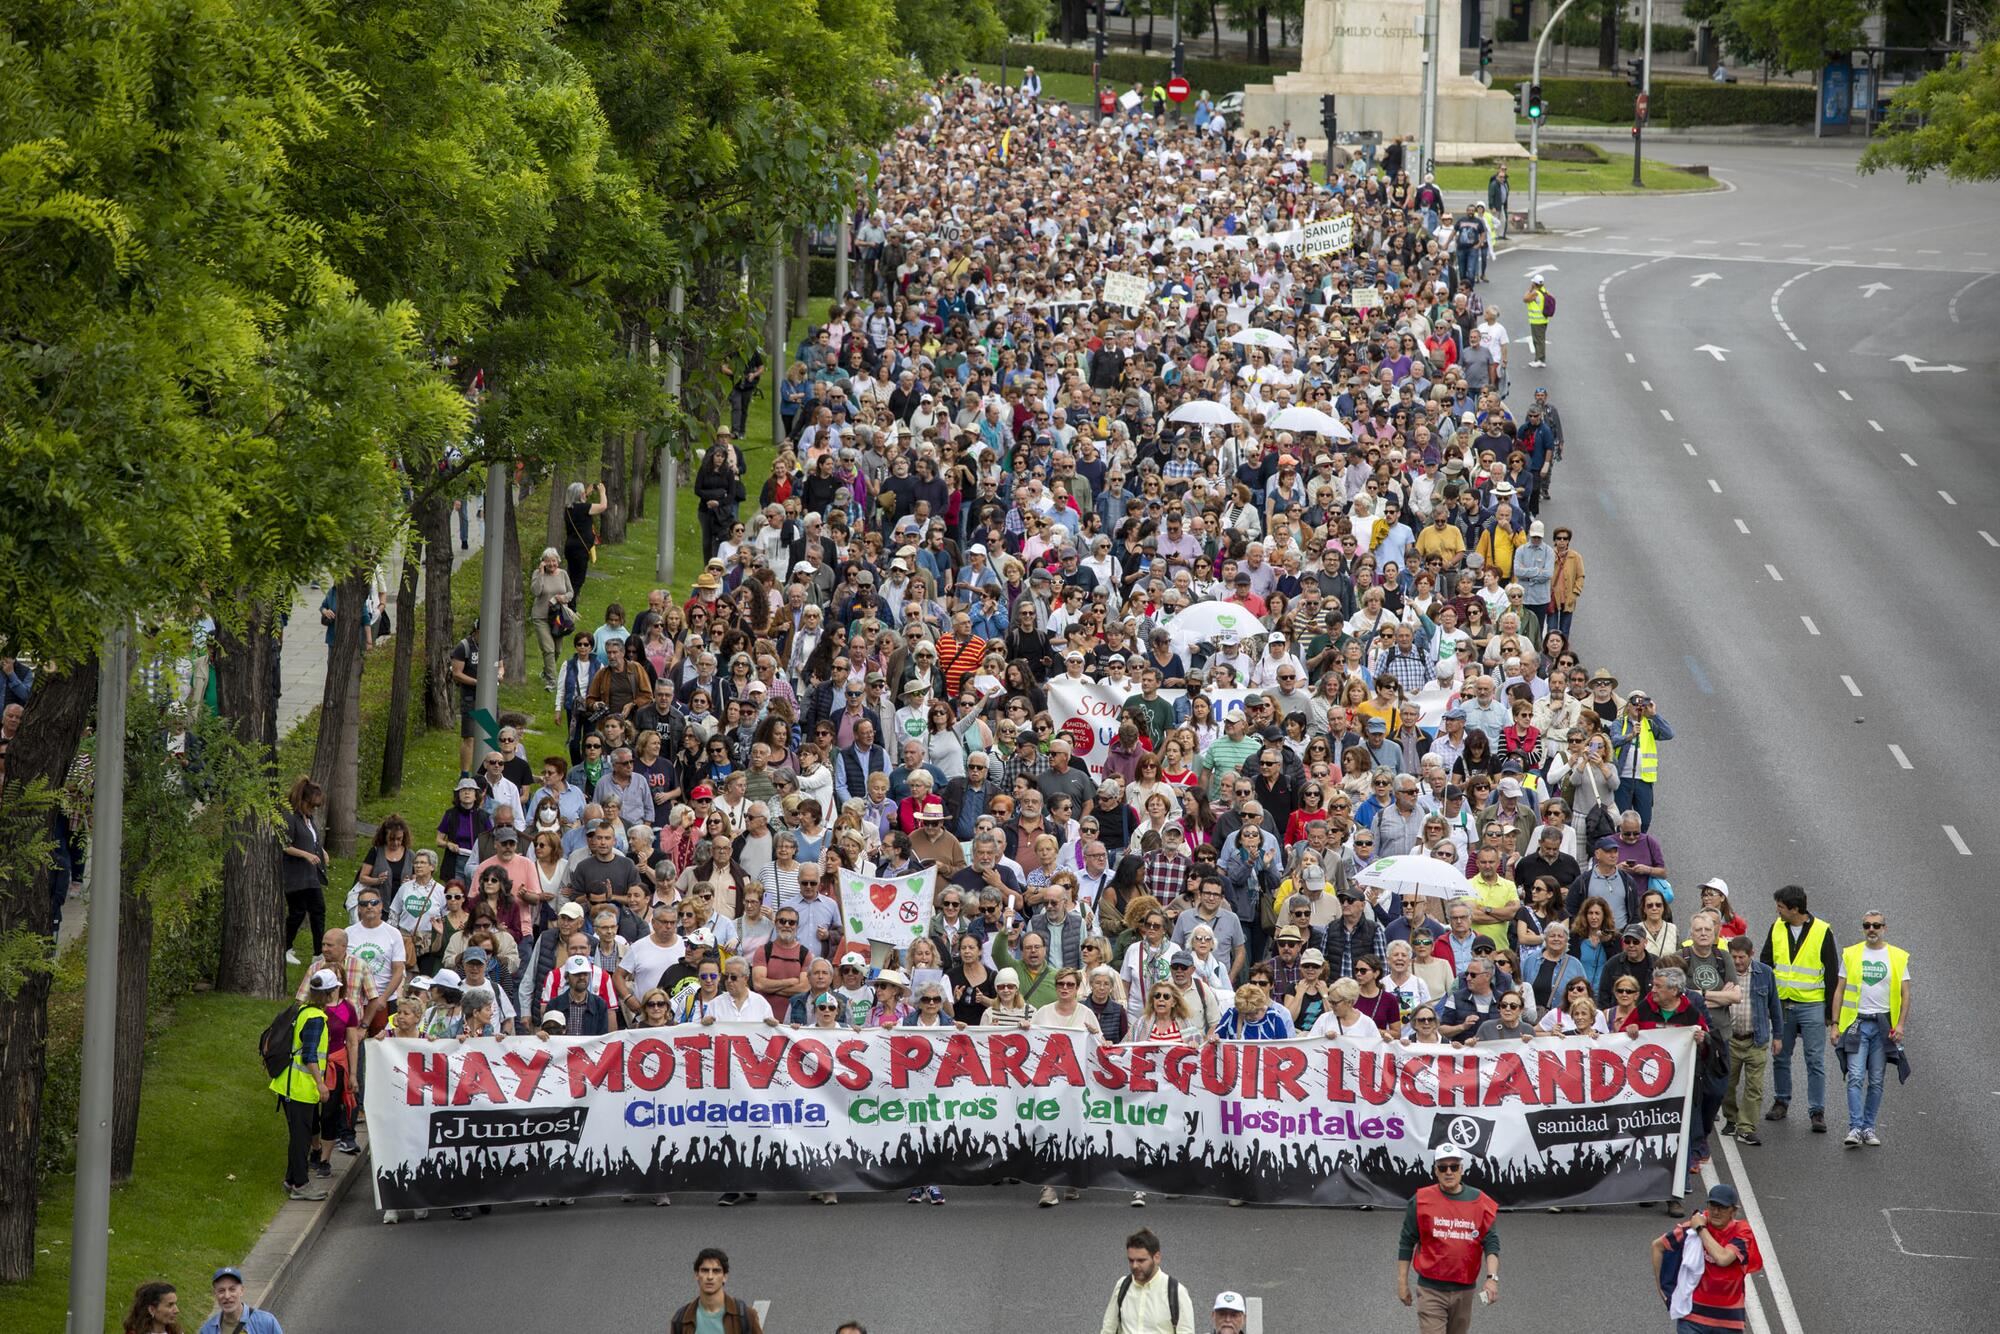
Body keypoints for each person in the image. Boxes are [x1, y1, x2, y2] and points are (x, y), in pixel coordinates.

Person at [1760, 882, 1837, 1134]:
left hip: (1812, 1004)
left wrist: (1829, 1014)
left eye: (1781, 907)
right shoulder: (1776, 927)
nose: (1777, 911)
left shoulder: (1823, 931)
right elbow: (1765, 962)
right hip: (1782, 1004)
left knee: (1814, 1060)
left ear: (1795, 909)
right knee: (1780, 1055)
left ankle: (1817, 1111)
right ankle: (1781, 1101)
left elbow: (1832, 972)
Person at [1397, 1146, 1501, 1331]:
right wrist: (1402, 1283)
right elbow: (1406, 1242)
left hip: (1464, 1290)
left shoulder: (1480, 1201)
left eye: (1454, 1166)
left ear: (1462, 1169)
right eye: (1443, 1167)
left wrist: (1492, 1278)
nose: (1449, 1172)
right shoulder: (1420, 1200)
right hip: (1430, 1289)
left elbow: (1491, 1243)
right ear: (1435, 1171)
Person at [1833, 909, 1911, 1148]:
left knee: (1876, 1079)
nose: (1871, 930)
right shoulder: (1852, 954)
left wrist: (1900, 1025)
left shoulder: (1896, 956)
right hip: (1857, 1024)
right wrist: (1835, 1024)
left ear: (1884, 928)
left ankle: (1869, 1127)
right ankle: (1855, 1127)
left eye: (1876, 926)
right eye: (1867, 925)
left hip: (1882, 1026)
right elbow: (1839, 990)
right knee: (1855, 1075)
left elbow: (1905, 994)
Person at [1650, 1183, 1761, 1334]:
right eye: (1712, 1205)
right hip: (1692, 1318)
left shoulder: (1742, 1232)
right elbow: (1658, 1246)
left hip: (1729, 1321)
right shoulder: (1692, 1228)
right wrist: (1664, 1292)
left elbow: (1723, 1259)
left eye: (1722, 1207)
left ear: (1733, 1211)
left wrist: (1701, 1229)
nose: (1716, 1211)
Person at [273, 969, 336, 1201]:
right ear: (329, 993)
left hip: (291, 1085)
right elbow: (309, 1055)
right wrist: (321, 1084)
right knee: (301, 1138)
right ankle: (300, 1184)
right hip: (300, 1087)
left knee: (298, 1135)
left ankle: (291, 1180)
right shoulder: (316, 1018)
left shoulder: (304, 1010)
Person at [1720, 933, 1780, 1146]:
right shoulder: (1723, 973)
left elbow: (1774, 1005)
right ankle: (1731, 1118)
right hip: (1731, 1039)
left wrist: (1778, 1036)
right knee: (1727, 1083)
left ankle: (1746, 1127)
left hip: (1757, 1039)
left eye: (1741, 957)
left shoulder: (1765, 973)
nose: (1737, 961)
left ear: (1751, 955)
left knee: (1754, 1087)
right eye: (1734, 957)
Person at [1098, 1228, 1195, 1334]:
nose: (1135, 1266)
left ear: (1157, 1258)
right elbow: (1108, 1328)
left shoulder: (1177, 1292)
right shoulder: (1122, 1285)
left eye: (1141, 1260)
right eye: (1131, 1260)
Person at [280, 777, 328, 966]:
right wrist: (306, 855)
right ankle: (285, 946)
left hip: (310, 876)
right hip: (296, 874)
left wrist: (321, 851)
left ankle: (319, 953)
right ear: (304, 801)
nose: (314, 810)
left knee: (318, 910)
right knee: (298, 911)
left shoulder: (309, 819)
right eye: (312, 806)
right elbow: (285, 845)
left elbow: (313, 840)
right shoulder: (291, 817)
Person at [669, 1248, 766, 1334]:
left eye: (716, 1271)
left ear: (725, 1277)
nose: (710, 1277)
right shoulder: (681, 1319)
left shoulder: (746, 1316)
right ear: (696, 1275)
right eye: (705, 1270)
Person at [196, 1268, 284, 1334]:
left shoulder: (266, 1322)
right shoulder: (208, 1330)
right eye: (221, 1291)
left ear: (241, 1290)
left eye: (232, 1289)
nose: (227, 1296)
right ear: (215, 1294)